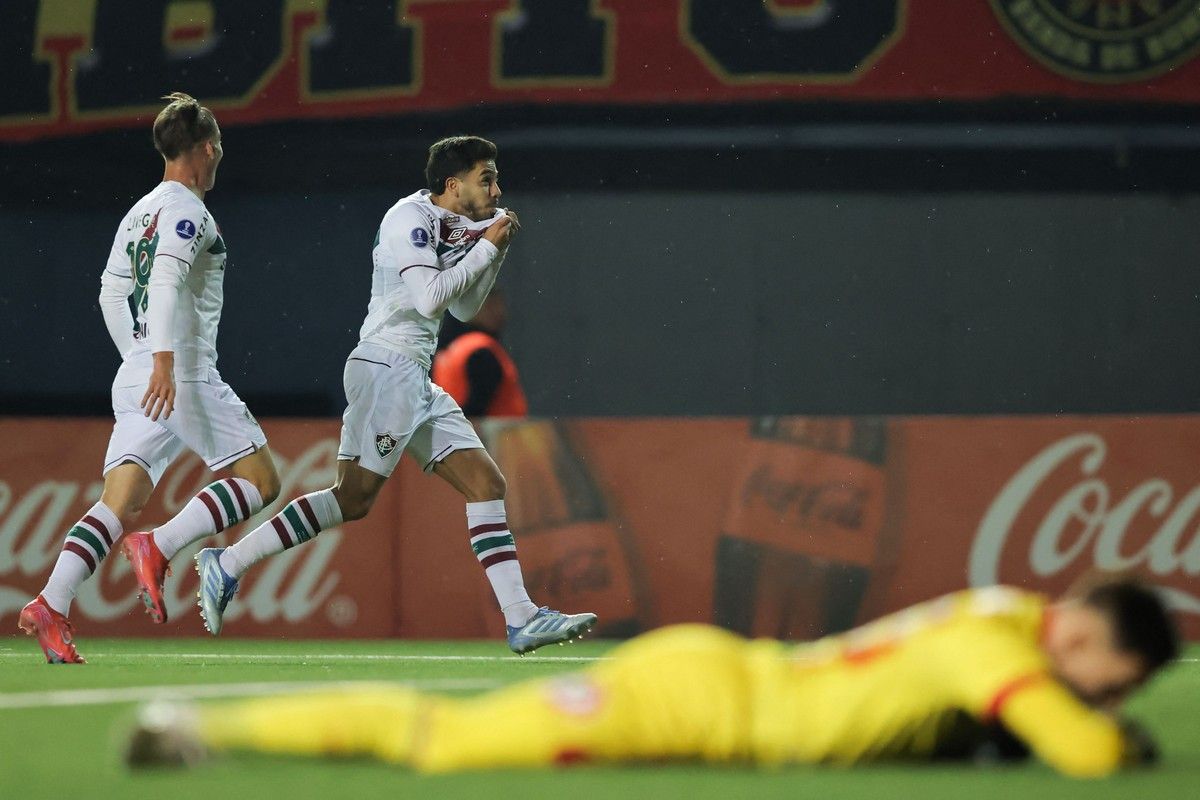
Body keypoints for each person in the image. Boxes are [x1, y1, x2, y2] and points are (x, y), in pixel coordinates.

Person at [177, 136, 594, 653]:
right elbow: (427, 299)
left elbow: (463, 310)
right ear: (452, 184)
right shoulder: (409, 218)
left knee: (486, 484)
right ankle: (229, 562)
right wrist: (486, 245)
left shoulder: (457, 228)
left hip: (413, 378)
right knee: (352, 499)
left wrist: (496, 253)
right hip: (386, 367)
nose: (496, 188)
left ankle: (522, 618)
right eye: (486, 177)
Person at [125, 576, 1178, 778]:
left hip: (731, 679)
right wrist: (1116, 738)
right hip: (702, 700)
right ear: (1079, 638)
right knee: (448, 740)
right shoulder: (999, 650)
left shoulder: (1009, 608)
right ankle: (196, 728)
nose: (1098, 696)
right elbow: (1084, 754)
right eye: (1106, 678)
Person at [18, 93, 281, 664]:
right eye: (218, 150)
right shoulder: (189, 211)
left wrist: (138, 355)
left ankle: (50, 603)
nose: (218, 160)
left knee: (121, 498)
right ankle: (159, 546)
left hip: (140, 372)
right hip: (179, 371)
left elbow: (111, 290)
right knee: (262, 482)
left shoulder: (140, 212)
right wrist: (162, 361)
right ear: (207, 148)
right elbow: (163, 282)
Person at [433, 288, 528, 418]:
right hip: (495, 435)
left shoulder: (447, 350)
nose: (500, 312)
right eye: (491, 306)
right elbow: (476, 408)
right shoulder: (481, 349)